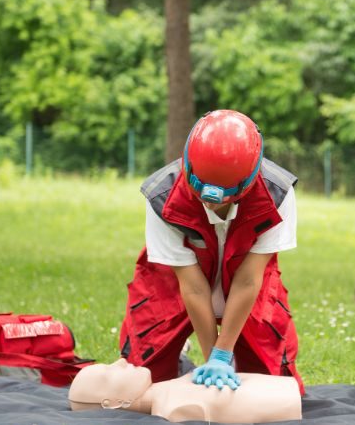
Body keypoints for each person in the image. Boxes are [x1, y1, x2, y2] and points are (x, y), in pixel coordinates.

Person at [118, 110, 304, 394]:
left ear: (248, 181)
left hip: (247, 286)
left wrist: (222, 355)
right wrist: (210, 360)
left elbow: (248, 279)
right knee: (139, 387)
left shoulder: (277, 194)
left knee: (274, 388)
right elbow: (192, 287)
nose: (211, 204)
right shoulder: (161, 196)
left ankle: (227, 355)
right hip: (172, 286)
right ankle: (182, 358)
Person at [68, 358, 302, 423]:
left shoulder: (169, 393)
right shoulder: (174, 408)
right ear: (112, 403)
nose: (119, 361)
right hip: (288, 402)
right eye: (109, 373)